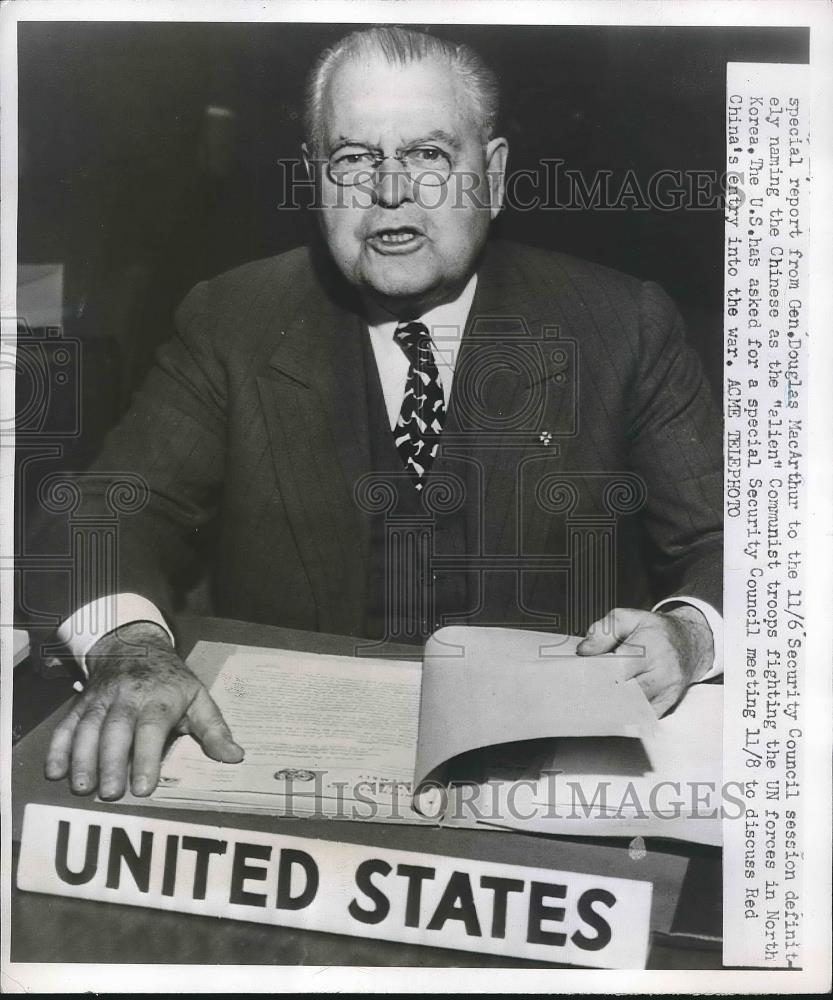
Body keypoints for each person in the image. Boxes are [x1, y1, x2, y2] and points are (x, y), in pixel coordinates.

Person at [28, 27, 723, 801]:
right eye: (354, 159)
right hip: (286, 773)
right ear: (315, 180)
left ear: (489, 175)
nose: (389, 191)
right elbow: (98, 515)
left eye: (428, 156)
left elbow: (742, 545)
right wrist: (131, 648)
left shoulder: (620, 323)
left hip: (538, 782)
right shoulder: (234, 319)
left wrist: (688, 636)